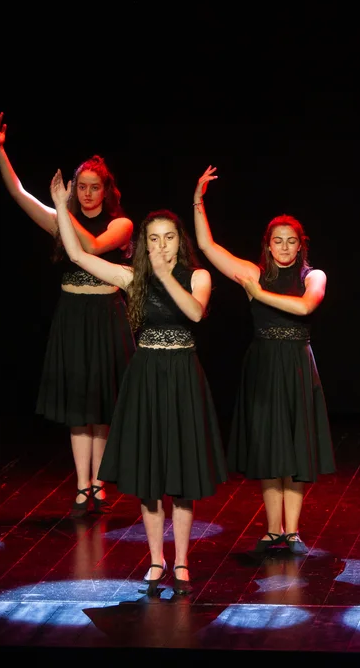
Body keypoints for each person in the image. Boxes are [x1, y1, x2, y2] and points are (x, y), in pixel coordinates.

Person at [51, 171, 227, 596]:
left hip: (182, 377)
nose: (161, 245)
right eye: (154, 239)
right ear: (145, 244)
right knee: (149, 478)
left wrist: (166, 275)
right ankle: (156, 560)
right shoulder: (132, 278)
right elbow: (78, 255)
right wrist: (60, 207)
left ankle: (181, 561)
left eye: (169, 237)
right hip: (146, 377)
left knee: (182, 477)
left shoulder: (197, 277)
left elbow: (194, 313)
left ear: (179, 242)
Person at [0, 113, 135, 517]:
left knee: (101, 404)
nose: (87, 194)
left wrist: (62, 210)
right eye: (82, 187)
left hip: (106, 314)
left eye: (94, 187)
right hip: (73, 315)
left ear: (106, 190)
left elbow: (91, 247)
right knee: (78, 406)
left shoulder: (120, 224)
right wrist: (0, 149)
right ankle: (82, 486)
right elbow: (19, 193)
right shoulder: (63, 218)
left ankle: (99, 483)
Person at [192, 166, 335, 556]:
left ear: (300, 246)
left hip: (297, 366)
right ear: (268, 246)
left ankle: (294, 531)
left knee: (296, 448)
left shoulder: (313, 276)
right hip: (265, 366)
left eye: (291, 242)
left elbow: (305, 307)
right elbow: (207, 247)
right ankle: (274, 530)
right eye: (278, 241)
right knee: (270, 448)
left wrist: (258, 294)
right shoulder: (254, 273)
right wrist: (198, 201)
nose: (284, 248)